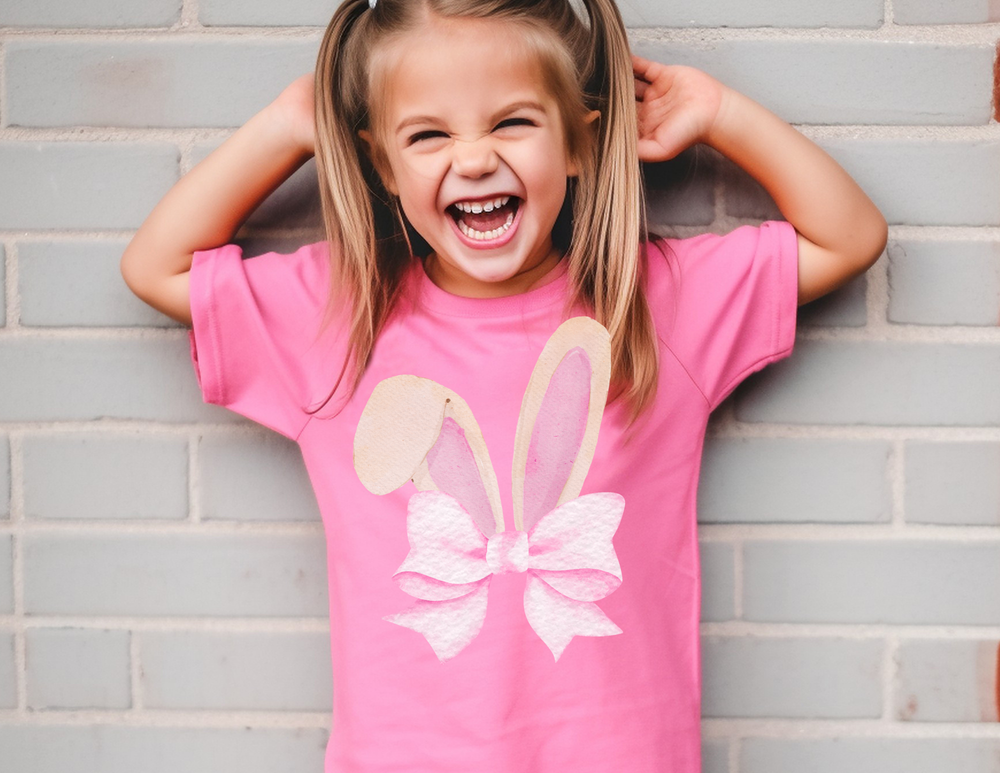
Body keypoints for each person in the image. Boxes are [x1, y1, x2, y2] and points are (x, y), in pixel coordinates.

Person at [120, 0, 887, 770]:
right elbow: (155, 266)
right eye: (428, 135)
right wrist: (288, 125)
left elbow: (849, 235)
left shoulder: (654, 303)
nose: (476, 158)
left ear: (581, 142)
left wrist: (719, 113)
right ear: (382, 166)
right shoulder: (337, 319)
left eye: (513, 122)